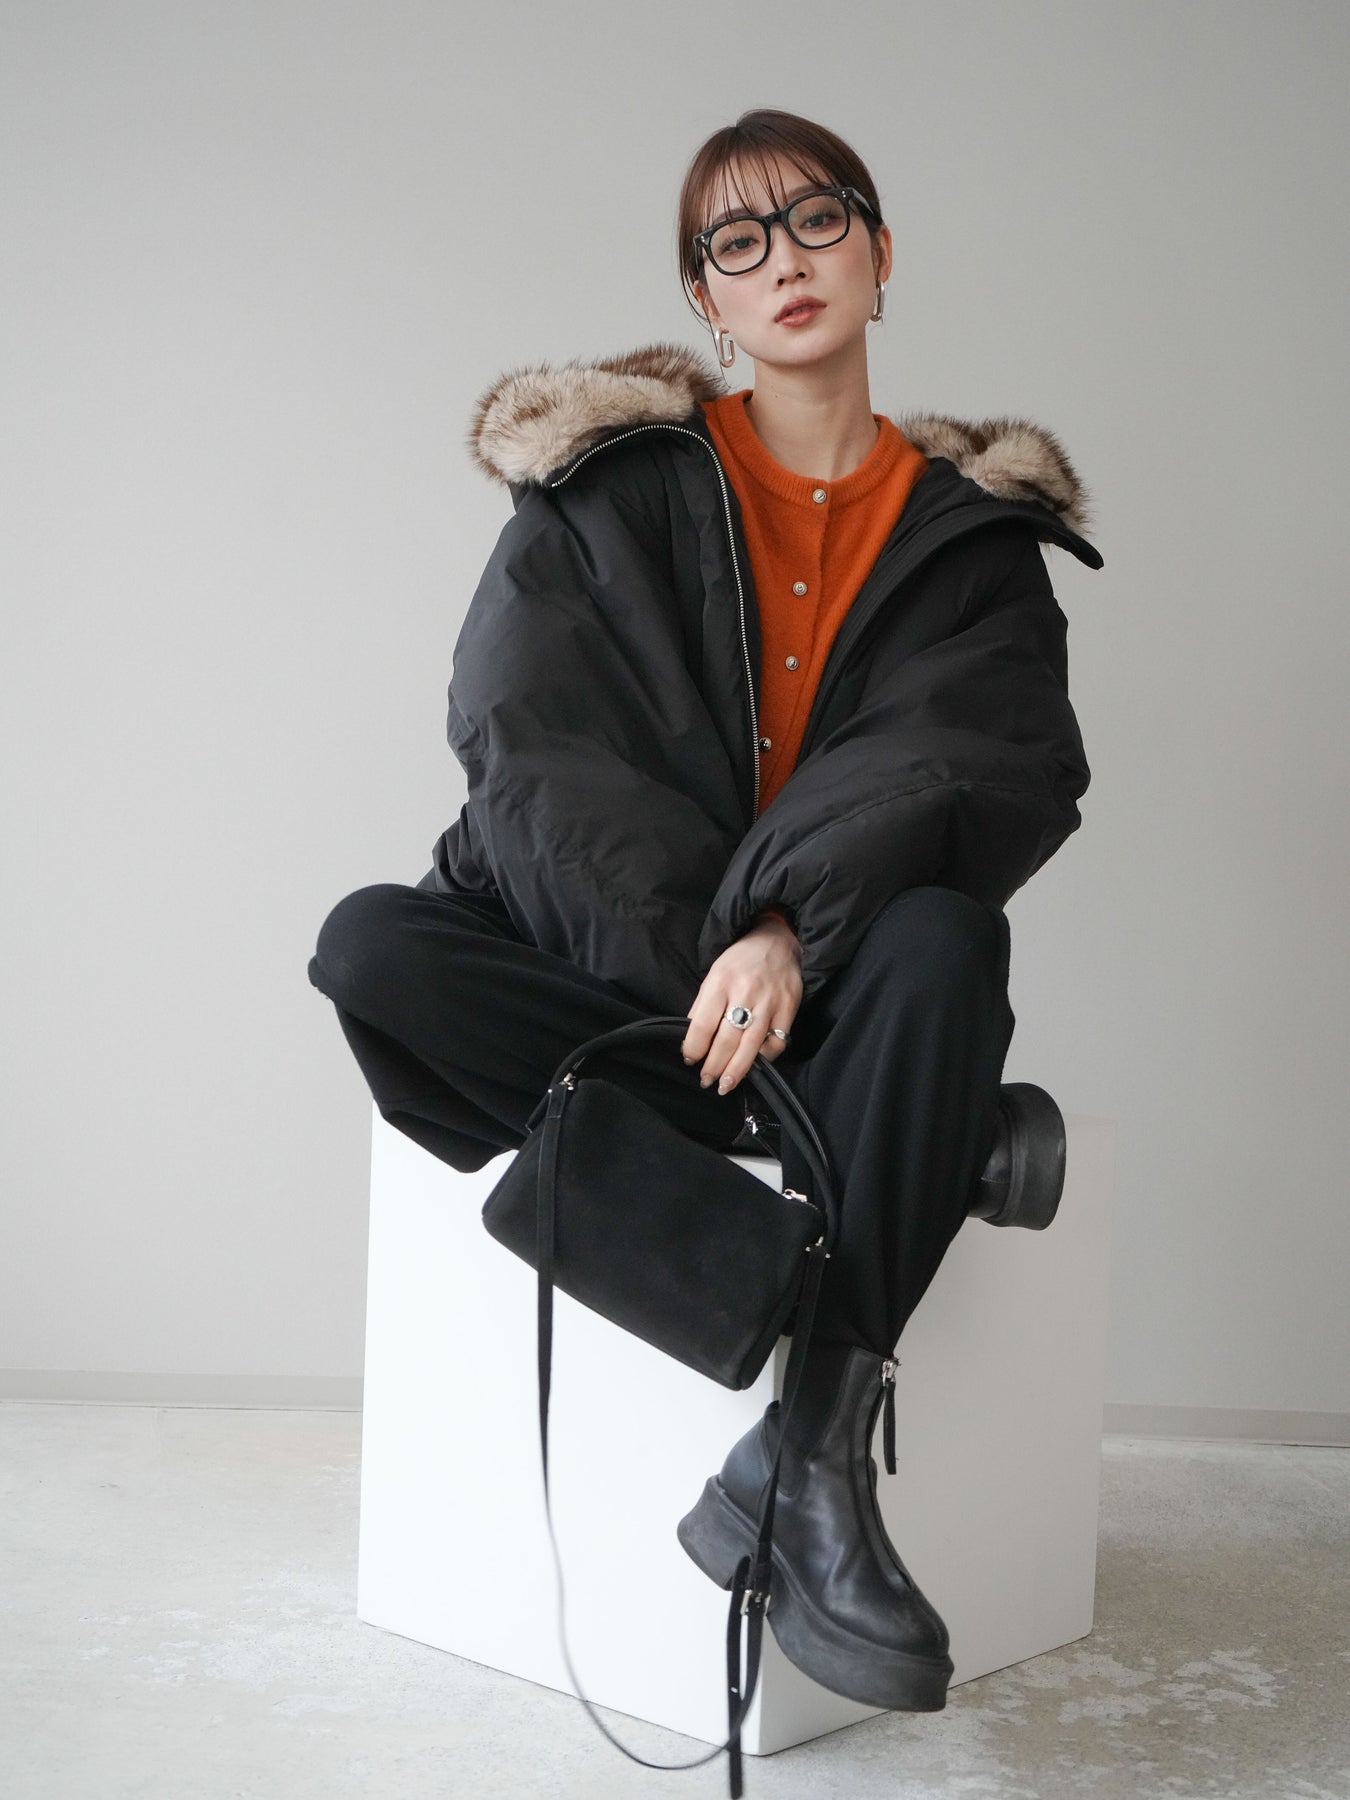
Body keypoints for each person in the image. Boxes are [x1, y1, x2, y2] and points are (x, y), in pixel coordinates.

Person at [307, 107, 1103, 1717]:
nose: (782, 260)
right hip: (620, 973)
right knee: (371, 946)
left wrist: (790, 928)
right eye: (736, 242)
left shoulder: (973, 542)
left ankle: (800, 1459)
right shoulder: (606, 486)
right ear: (705, 299)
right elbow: (535, 748)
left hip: (831, 981)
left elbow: (973, 762)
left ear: (879, 253)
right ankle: (909, 1157)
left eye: (816, 220)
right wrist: (712, 956)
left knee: (949, 939)